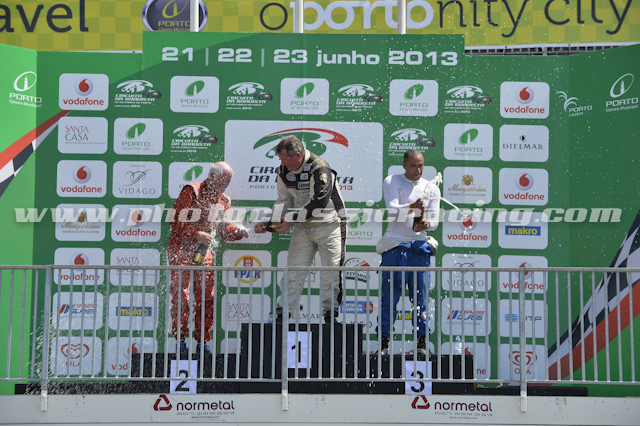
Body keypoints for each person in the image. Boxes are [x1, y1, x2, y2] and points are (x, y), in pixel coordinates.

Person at [254, 136, 347, 324]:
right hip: (303, 227)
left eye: (284, 159)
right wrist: (269, 224)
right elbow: (284, 201)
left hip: (329, 225)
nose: (282, 164)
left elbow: (319, 202)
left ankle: (330, 315)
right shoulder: (283, 171)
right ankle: (283, 314)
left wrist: (290, 219)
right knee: (294, 271)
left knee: (331, 272)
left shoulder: (319, 167)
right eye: (280, 159)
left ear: (298, 155)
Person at [168, 162, 248, 353]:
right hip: (181, 250)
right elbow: (174, 218)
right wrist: (196, 233)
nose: (226, 185)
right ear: (212, 177)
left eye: (229, 181)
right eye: (224, 181)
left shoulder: (224, 200)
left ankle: (202, 343)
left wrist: (237, 232)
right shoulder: (192, 191)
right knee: (182, 298)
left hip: (204, 253)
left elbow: (224, 230)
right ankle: (180, 342)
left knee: (206, 299)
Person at [376, 149, 440, 355]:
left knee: (420, 300)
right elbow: (392, 210)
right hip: (393, 247)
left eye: (421, 165)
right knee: (389, 299)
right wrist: (412, 206)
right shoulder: (392, 181)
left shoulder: (432, 188)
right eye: (413, 165)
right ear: (404, 165)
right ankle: (383, 344)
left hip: (418, 249)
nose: (418, 170)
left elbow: (434, 222)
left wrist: (426, 225)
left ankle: (422, 344)